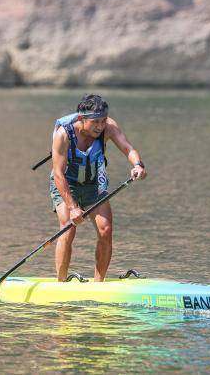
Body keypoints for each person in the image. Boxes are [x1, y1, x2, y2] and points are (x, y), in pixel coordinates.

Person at [49, 94, 146, 282]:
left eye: (103, 120)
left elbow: (128, 148)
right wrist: (73, 207)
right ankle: (60, 284)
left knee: (106, 229)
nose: (100, 126)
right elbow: (59, 175)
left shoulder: (108, 127)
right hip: (66, 184)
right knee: (68, 227)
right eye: (95, 122)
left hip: (94, 184)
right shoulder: (63, 134)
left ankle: (98, 285)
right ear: (80, 119)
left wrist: (138, 165)